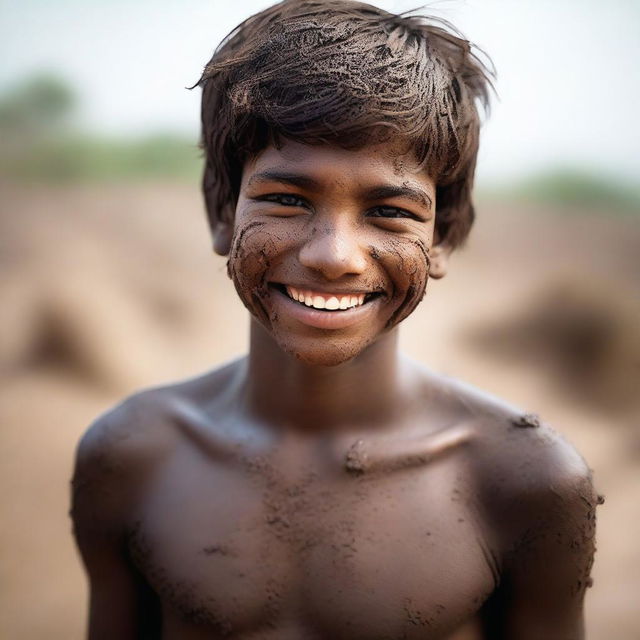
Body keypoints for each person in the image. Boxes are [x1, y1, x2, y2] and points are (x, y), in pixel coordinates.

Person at [71, 1, 599, 638]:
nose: (332, 256)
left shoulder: (525, 482)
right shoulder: (131, 455)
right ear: (221, 214)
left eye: (390, 212)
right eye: (288, 200)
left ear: (443, 239)